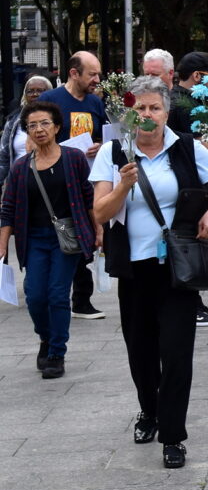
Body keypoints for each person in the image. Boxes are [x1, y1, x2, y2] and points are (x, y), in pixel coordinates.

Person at [89, 76, 208, 469]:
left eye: (155, 108)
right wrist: (123, 187)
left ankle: (173, 435)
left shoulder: (185, 147)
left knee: (175, 354)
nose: (148, 115)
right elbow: (99, 213)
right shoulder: (114, 151)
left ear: (167, 112)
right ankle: (149, 411)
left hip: (177, 269)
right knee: (140, 352)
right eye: (140, 108)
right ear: (130, 113)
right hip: (133, 270)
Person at [0, 101, 98, 379]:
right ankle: (45, 337)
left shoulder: (73, 158)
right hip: (34, 240)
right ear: (27, 132)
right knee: (34, 296)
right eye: (32, 125)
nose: (39, 129)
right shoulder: (20, 167)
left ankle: (56, 352)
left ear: (56, 127)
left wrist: (98, 229)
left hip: (66, 239)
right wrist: (3, 244)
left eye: (44, 123)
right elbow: (7, 208)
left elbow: (88, 196)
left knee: (57, 294)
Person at [38, 51, 106, 321]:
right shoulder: (50, 101)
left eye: (98, 73)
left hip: (88, 179)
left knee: (85, 236)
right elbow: (36, 137)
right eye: (92, 74)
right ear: (74, 73)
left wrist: (100, 145)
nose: (97, 79)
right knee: (66, 235)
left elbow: (102, 132)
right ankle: (62, 294)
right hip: (57, 181)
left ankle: (81, 298)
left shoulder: (95, 102)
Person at [167, 52, 208, 329]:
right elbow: (188, 140)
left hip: (190, 180)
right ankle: (191, 304)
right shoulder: (182, 101)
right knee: (187, 244)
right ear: (198, 76)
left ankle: (194, 303)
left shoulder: (181, 99)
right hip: (188, 183)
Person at [1, 74, 54, 184]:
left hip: (50, 180)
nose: (35, 94)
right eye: (30, 91)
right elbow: (3, 155)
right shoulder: (13, 120)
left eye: (40, 90)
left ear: (50, 92)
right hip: (19, 181)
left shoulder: (58, 118)